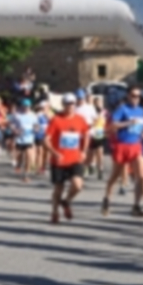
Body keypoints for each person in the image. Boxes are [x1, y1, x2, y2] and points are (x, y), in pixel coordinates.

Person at [102, 85, 143, 217]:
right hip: (122, 145)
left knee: (140, 176)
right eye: (133, 96)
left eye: (138, 96)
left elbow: (141, 125)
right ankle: (107, 198)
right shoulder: (122, 109)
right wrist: (128, 123)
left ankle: (136, 205)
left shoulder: (141, 110)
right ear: (128, 96)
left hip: (136, 146)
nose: (136, 98)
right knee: (115, 177)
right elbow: (113, 125)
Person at [44, 93, 90, 223]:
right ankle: (54, 212)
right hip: (59, 160)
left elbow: (86, 134)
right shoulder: (56, 120)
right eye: (68, 104)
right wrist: (54, 153)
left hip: (75, 159)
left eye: (72, 103)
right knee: (58, 188)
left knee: (78, 185)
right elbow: (46, 140)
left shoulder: (80, 119)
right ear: (63, 105)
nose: (70, 106)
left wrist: (84, 151)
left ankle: (67, 201)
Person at [12, 98, 38, 182]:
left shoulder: (33, 115)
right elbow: (11, 125)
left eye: (27, 106)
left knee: (28, 156)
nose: (26, 108)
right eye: (24, 106)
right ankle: (18, 165)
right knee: (19, 156)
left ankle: (26, 175)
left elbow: (36, 125)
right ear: (22, 106)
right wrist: (15, 130)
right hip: (20, 139)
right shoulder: (17, 115)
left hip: (29, 139)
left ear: (30, 107)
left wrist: (36, 129)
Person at [86, 97, 107, 180]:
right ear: (94, 104)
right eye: (97, 103)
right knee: (90, 153)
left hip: (100, 134)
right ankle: (90, 166)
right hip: (91, 134)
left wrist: (107, 130)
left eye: (101, 102)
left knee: (100, 153)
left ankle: (100, 170)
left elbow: (107, 122)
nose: (99, 104)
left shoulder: (105, 112)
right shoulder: (91, 111)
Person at [35, 101, 52, 175]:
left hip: (48, 135)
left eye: (46, 107)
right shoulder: (38, 115)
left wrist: (48, 115)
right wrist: (36, 132)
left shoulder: (51, 114)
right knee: (40, 152)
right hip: (40, 135)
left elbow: (54, 122)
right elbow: (35, 125)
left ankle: (44, 168)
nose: (44, 108)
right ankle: (38, 168)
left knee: (47, 153)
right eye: (43, 107)